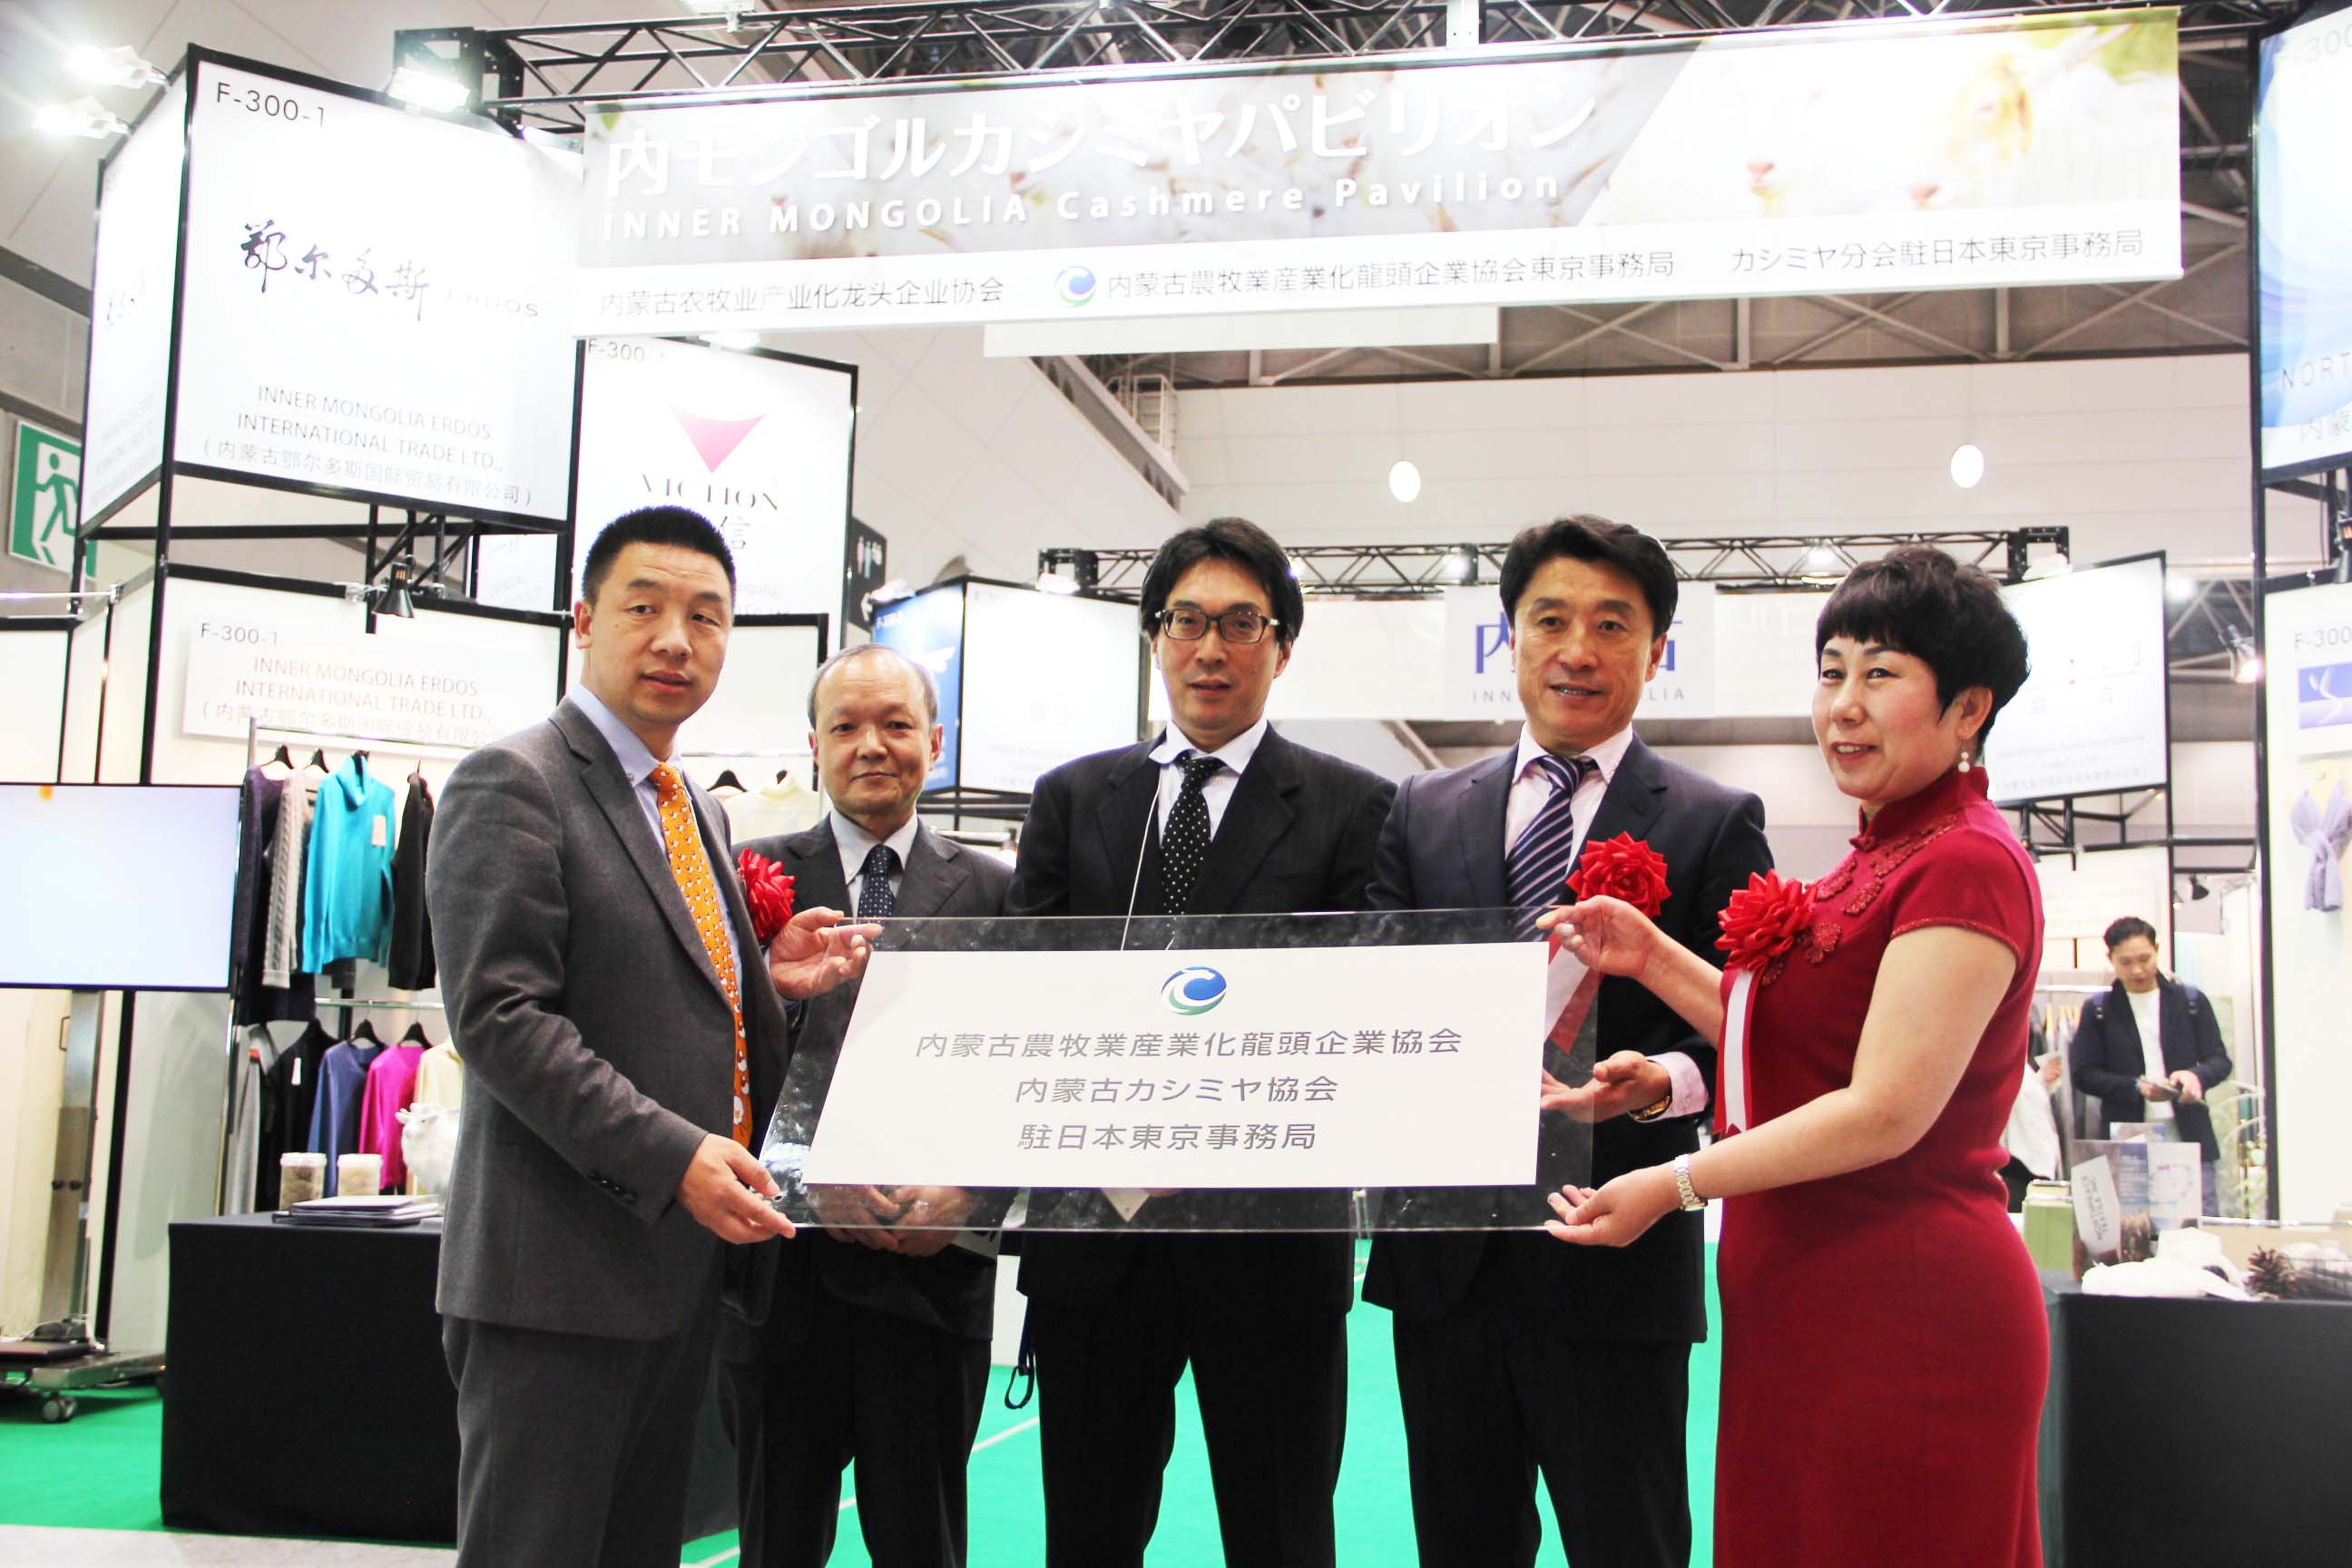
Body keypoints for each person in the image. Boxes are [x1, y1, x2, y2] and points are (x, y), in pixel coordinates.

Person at [1547, 544, 2046, 1567]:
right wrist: (1651, 957)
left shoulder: (1966, 863)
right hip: (1806, 1296)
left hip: (1905, 1306)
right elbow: (1794, 1040)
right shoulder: (1880, 855)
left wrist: (1674, 1184)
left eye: (1882, 674)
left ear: (1968, 710)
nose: (1843, 706)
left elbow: (1884, 1109)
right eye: (1831, 672)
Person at [428, 505, 874, 1567]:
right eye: (645, 608)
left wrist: (760, 979)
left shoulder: (691, 809)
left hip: (673, 1276)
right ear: (585, 621)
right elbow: (500, 1018)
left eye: (706, 617)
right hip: (555, 1282)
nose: (677, 639)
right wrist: (674, 1158)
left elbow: (651, 990)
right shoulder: (515, 780)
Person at [1361, 514, 1770, 1568]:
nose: (1577, 650)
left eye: (1611, 625)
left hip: (1617, 1261)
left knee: (1629, 1541)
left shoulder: (1714, 821)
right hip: (1447, 1270)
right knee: (1460, 1545)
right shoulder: (1419, 811)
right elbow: (1381, 1001)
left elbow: (1754, 1033)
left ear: (1656, 649)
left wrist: (1662, 1082)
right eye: (1550, 620)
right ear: (1511, 637)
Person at [1004, 516, 1396, 1568]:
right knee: (1088, 1537)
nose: (1210, 649)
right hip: (1098, 1236)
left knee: (1281, 1535)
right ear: (1154, 637)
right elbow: (1028, 992)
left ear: (1282, 646)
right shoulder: (1073, 799)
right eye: (1186, 622)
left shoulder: (1355, 808)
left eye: (1240, 624)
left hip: (1268, 1248)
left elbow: (1354, 1007)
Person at [716, 643, 1014, 1568]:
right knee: (776, 1540)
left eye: (895, 724)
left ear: (936, 740)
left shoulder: (1000, 892)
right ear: (815, 746)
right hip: (781, 1280)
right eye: (845, 727)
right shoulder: (744, 878)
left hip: (930, 1279)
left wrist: (971, 1195)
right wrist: (799, 1181)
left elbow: (1022, 1070)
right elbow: (707, 1059)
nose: (871, 746)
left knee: (923, 1542)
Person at [2069, 915, 2234, 1214]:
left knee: (2196, 1225)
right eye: (2125, 961)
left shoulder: (2190, 1001)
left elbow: (2219, 1061)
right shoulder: (2099, 1010)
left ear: (2157, 950)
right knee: (2133, 1229)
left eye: (2144, 959)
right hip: (2127, 1138)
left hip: (2188, 1134)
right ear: (2111, 959)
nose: (2137, 970)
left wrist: (2195, 1076)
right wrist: (2135, 1087)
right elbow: (2083, 1073)